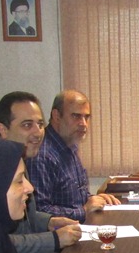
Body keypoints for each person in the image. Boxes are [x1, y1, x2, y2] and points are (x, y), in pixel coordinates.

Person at [0, 91, 81, 253]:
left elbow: (25, 220)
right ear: (3, 130)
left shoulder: (19, 160)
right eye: (27, 125)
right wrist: (54, 239)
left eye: (40, 124)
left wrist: (49, 222)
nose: (38, 132)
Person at [27, 90, 120, 222]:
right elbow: (39, 212)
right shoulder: (41, 155)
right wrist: (83, 211)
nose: (83, 123)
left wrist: (95, 199)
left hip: (80, 226)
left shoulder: (70, 144)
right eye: (76, 116)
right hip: (62, 232)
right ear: (56, 116)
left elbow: (75, 196)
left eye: (86, 117)